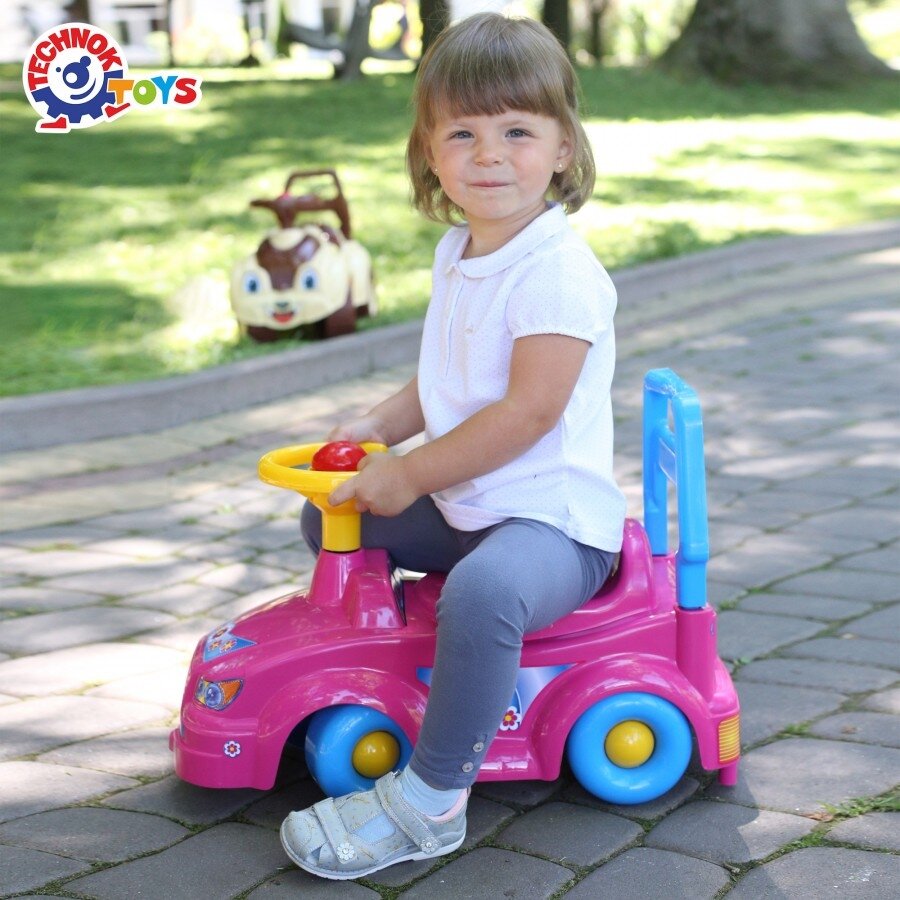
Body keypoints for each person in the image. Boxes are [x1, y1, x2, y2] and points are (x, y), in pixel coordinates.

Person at [281, 11, 626, 880]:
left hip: (553, 526)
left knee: (484, 591)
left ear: (562, 147)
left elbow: (526, 413)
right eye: (463, 134)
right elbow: (447, 380)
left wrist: (411, 474)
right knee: (333, 519)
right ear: (430, 154)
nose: (489, 155)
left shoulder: (556, 272)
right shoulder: (461, 251)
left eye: (517, 132)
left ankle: (432, 800)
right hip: (472, 505)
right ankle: (398, 668)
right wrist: (377, 430)